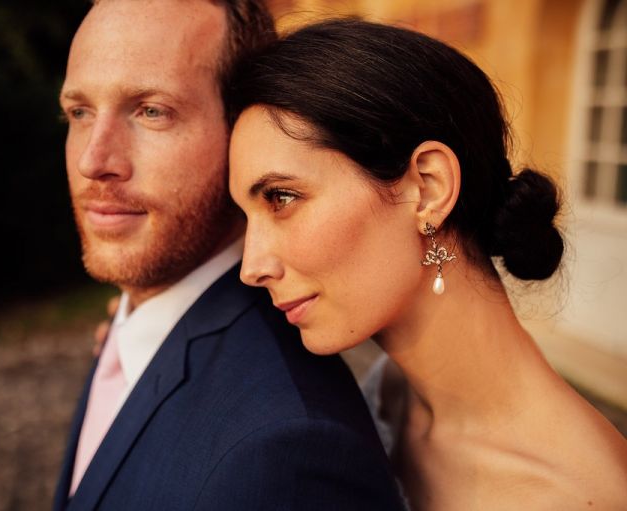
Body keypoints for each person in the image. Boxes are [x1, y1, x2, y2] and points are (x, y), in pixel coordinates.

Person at [228, 19, 627, 511]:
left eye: (281, 197)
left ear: (428, 189)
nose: (252, 266)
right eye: (246, 217)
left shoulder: (580, 495)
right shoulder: (386, 398)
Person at [53, 2, 404, 510]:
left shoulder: (288, 450)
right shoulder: (137, 324)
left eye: (151, 110)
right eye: (79, 112)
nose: (93, 161)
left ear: (243, 131)